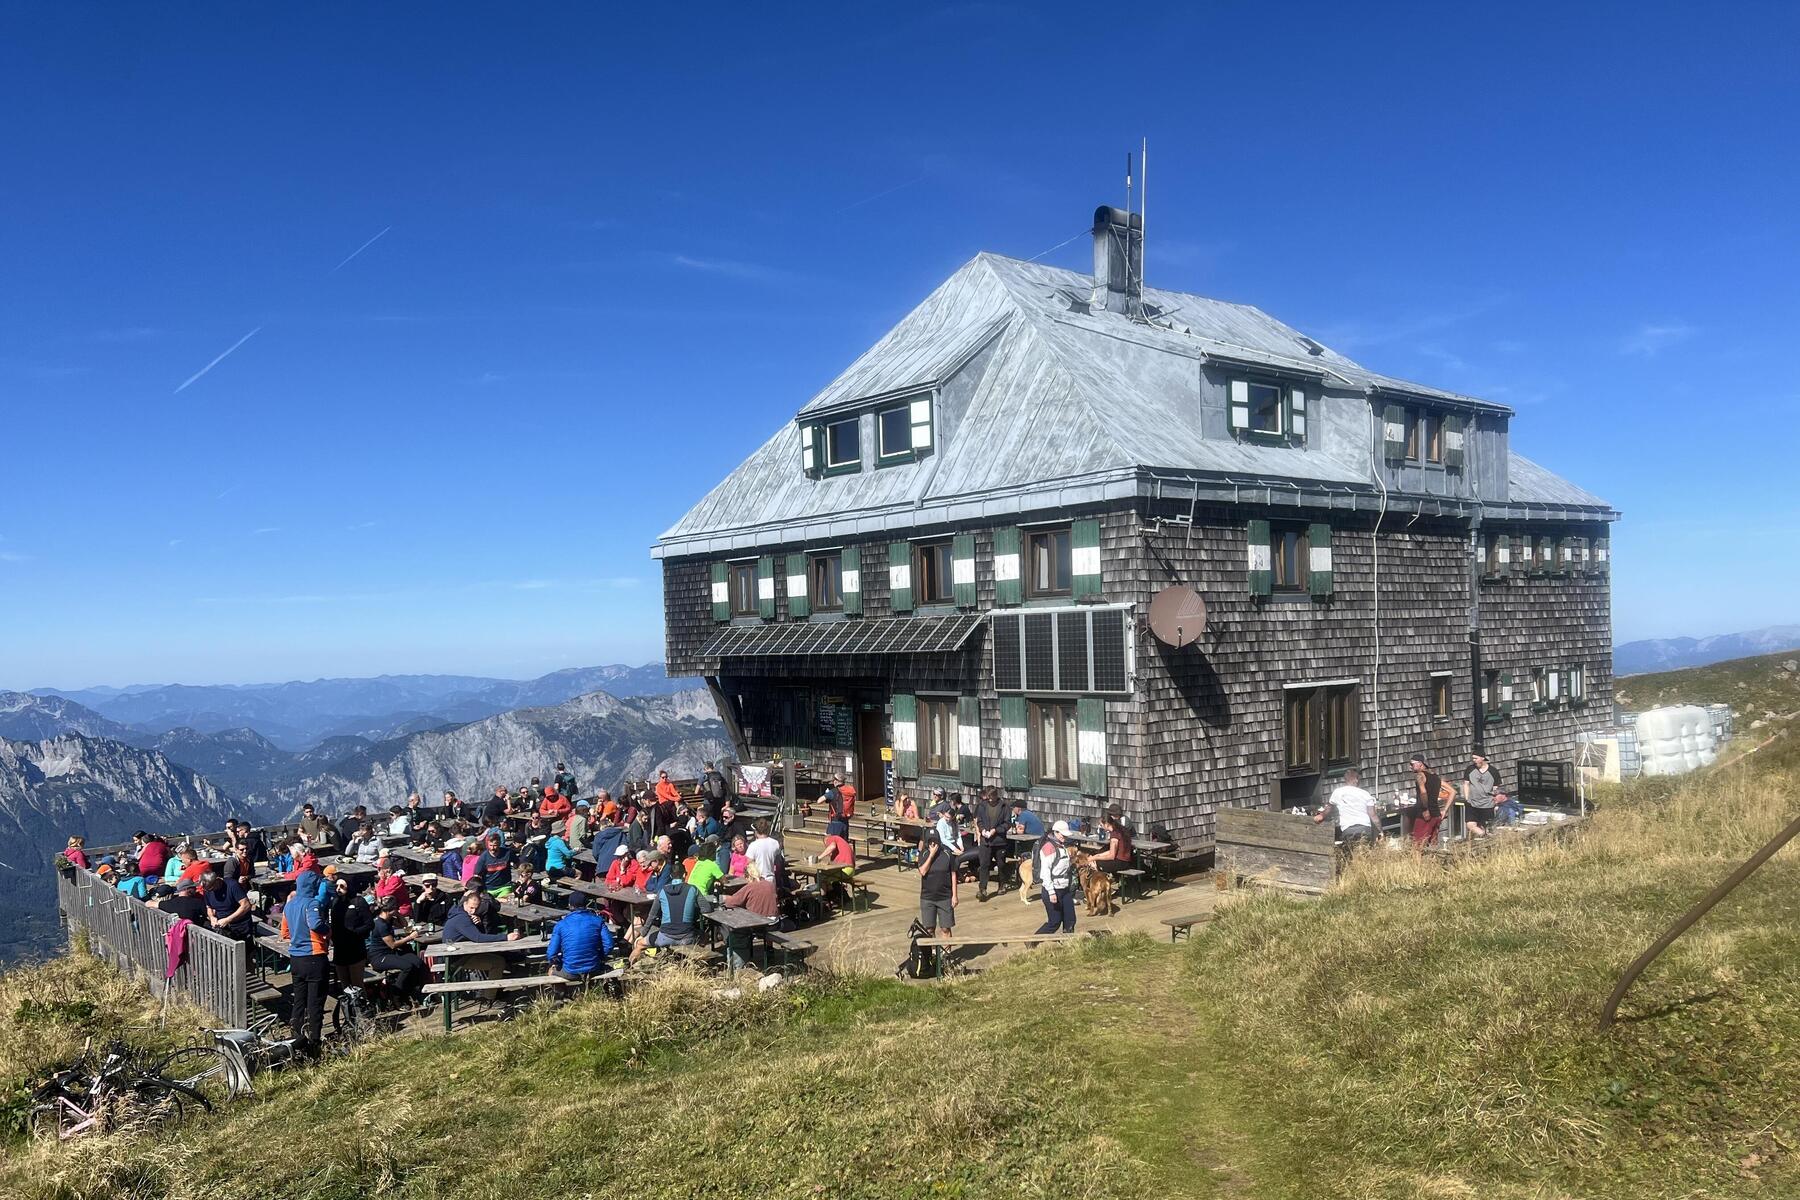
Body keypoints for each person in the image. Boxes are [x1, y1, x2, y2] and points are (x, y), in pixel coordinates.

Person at [282, 862, 330, 1056]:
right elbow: (316, 923)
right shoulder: (312, 903)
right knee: (315, 1002)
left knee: (299, 1000)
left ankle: (296, 1038)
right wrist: (327, 931)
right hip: (314, 956)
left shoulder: (290, 904)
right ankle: (315, 1041)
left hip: (295, 957)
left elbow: (284, 932)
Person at [366, 897, 428, 1005]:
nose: (398, 910)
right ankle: (396, 995)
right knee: (407, 966)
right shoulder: (380, 925)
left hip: (390, 953)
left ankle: (412, 990)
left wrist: (398, 914)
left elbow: (404, 925)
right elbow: (392, 945)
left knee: (417, 962)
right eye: (397, 908)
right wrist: (410, 937)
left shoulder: (389, 919)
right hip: (379, 957)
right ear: (391, 909)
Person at [629, 872, 700, 964]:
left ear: (670, 876)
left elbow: (652, 915)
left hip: (665, 937)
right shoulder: (693, 889)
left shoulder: (662, 891)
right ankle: (694, 965)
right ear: (684, 875)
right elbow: (706, 908)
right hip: (687, 937)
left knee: (639, 944)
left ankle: (630, 967)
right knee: (704, 936)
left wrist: (643, 933)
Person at [547, 894, 613, 980]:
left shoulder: (560, 925)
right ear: (586, 905)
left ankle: (562, 992)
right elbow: (609, 944)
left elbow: (551, 954)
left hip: (570, 971)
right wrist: (599, 957)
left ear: (570, 906)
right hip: (593, 968)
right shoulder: (598, 921)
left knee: (551, 970)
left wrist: (559, 961)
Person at [1315, 767, 1382, 847]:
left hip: (1348, 831)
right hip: (1365, 829)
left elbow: (1328, 808)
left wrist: (1321, 816)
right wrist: (1380, 832)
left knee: (1352, 855)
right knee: (1366, 854)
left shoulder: (1338, 792)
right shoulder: (1365, 794)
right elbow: (1373, 816)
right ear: (1356, 779)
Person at [329, 874, 374, 984]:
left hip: (355, 947)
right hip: (340, 948)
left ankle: (361, 1001)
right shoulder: (335, 902)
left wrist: (355, 932)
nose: (338, 888)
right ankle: (347, 1001)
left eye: (342, 886)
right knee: (344, 983)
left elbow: (369, 924)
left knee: (356, 984)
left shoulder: (359, 901)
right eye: (337, 886)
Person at [1035, 821, 1077, 934]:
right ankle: (1033, 941)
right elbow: (1045, 872)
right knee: (1054, 922)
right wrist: (1051, 892)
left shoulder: (1062, 846)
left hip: (1065, 889)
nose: (1065, 837)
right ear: (1056, 833)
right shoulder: (1048, 848)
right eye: (1063, 835)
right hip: (1053, 889)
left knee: (1070, 919)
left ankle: (1069, 944)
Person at [917, 828, 957, 940]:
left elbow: (953, 874)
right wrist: (931, 855)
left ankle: (946, 954)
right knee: (929, 928)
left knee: (945, 928)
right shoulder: (923, 854)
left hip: (945, 896)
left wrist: (954, 895)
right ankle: (933, 954)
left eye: (935, 841)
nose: (933, 843)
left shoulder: (947, 854)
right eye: (930, 841)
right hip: (927, 897)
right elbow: (922, 871)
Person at [972, 786, 1010, 901]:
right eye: (987, 797)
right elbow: (979, 821)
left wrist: (996, 830)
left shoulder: (1004, 806)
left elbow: (1007, 824)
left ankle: (1002, 884)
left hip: (999, 841)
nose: (989, 799)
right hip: (986, 840)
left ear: (996, 795)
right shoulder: (982, 806)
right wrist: (982, 829)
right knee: (984, 864)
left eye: (991, 797)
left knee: (1001, 864)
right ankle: (982, 889)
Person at [1404, 754, 1448, 845]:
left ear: (1420, 764)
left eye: (1412, 764)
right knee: (1433, 844)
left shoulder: (1420, 775)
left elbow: (1423, 793)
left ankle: (1417, 860)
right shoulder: (1435, 776)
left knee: (1418, 846)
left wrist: (1425, 809)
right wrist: (1445, 810)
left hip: (1425, 816)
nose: (1410, 767)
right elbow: (1453, 792)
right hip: (1436, 814)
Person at [203, 868, 253, 940]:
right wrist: (212, 917)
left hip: (239, 926)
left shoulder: (232, 885)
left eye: (212, 888)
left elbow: (246, 905)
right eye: (208, 889)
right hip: (221, 926)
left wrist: (227, 920)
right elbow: (209, 907)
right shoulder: (207, 890)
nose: (210, 891)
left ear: (217, 880)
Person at [1090, 804, 1135, 876]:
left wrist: (1095, 858)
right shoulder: (1120, 829)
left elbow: (1111, 855)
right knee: (1095, 857)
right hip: (1126, 860)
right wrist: (1097, 855)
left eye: (1102, 825)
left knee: (1095, 863)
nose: (1101, 827)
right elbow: (1112, 851)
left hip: (1121, 862)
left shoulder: (1114, 835)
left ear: (1107, 824)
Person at [1463, 753, 1501, 837]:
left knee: (1487, 827)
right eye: (1473, 758)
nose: (1474, 760)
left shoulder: (1493, 771)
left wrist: (1496, 802)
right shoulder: (1470, 769)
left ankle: (1487, 839)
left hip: (1487, 804)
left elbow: (1496, 788)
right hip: (1472, 803)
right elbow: (1466, 784)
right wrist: (1467, 798)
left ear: (1482, 758)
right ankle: (1483, 835)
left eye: (1476, 758)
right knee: (1470, 825)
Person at [470, 831, 517, 896]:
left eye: (495, 845)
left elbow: (519, 863)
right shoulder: (483, 857)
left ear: (499, 844)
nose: (492, 848)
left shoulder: (507, 853)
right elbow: (477, 875)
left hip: (505, 886)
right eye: (490, 845)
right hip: (488, 888)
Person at [822, 776, 850, 841]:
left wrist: (827, 795)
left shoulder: (833, 792)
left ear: (835, 781)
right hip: (845, 821)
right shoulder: (848, 791)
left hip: (835, 821)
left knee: (830, 842)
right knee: (843, 843)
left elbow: (819, 801)